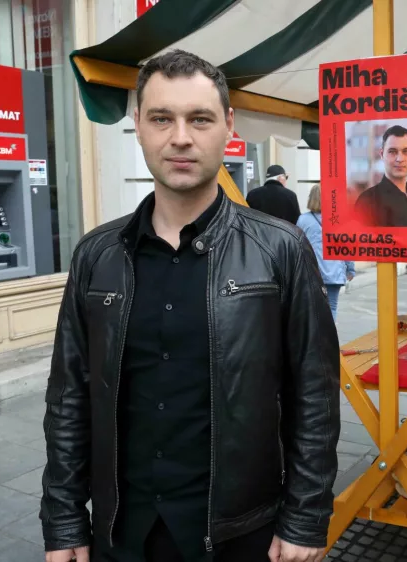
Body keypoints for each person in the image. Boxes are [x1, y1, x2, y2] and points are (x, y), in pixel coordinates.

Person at [40, 50, 340, 562]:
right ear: (138, 126)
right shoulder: (97, 255)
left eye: (198, 119)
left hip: (239, 533)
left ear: (227, 126)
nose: (180, 137)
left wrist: (307, 518)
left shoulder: (279, 249)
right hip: (122, 530)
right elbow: (69, 398)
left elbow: (314, 393)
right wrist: (65, 519)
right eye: (162, 118)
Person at [297, 185, 355, 320]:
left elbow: (297, 246)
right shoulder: (339, 220)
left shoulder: (303, 220)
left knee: (313, 307)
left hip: (312, 271)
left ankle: (314, 337)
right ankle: (329, 338)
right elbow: (347, 247)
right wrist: (350, 269)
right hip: (334, 270)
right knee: (332, 306)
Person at [354, 125, 407, 227]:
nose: (400, 159)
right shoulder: (367, 201)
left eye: (406, 151)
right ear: (382, 154)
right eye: (392, 152)